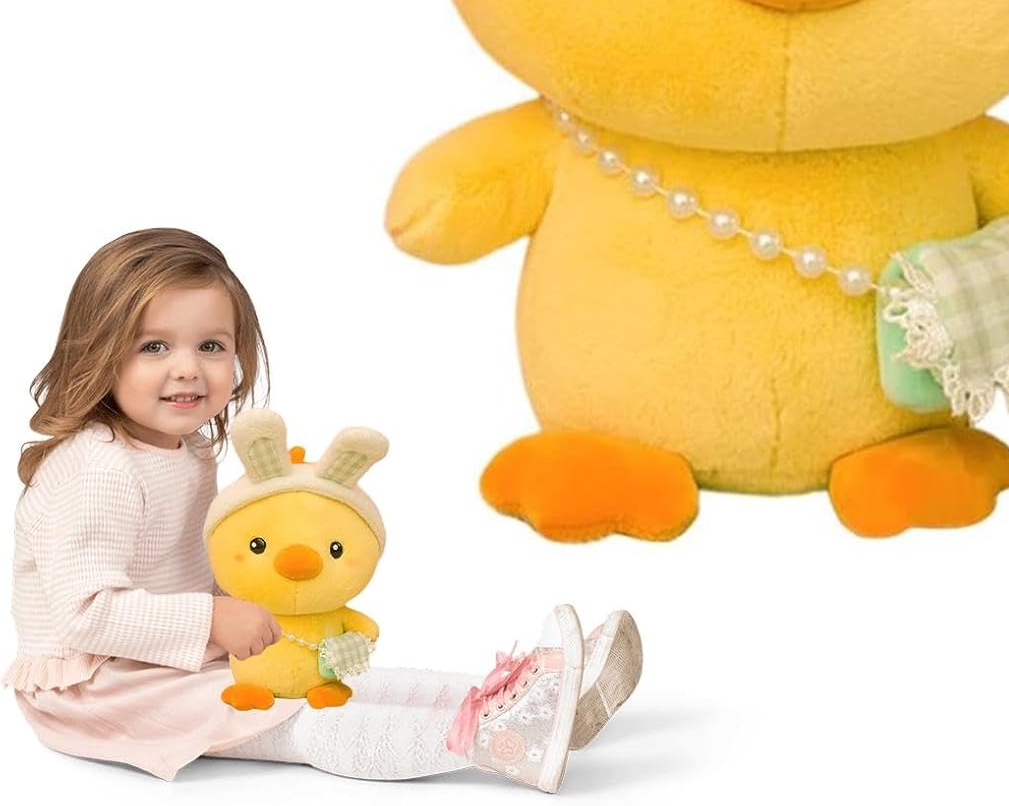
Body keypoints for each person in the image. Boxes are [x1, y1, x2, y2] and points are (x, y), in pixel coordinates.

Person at [6, 229, 641, 790]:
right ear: (97, 351)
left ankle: (530, 701)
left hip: (166, 657)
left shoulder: (189, 448)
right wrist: (216, 619)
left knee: (330, 682)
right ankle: (496, 739)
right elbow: (85, 615)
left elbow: (196, 565)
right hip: (98, 687)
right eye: (153, 347)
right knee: (297, 716)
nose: (187, 369)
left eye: (211, 346)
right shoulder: (97, 469)